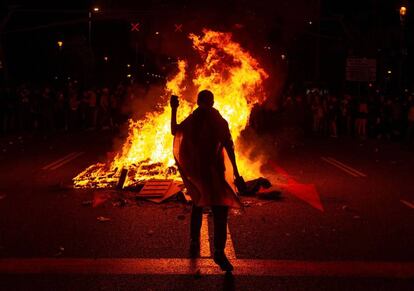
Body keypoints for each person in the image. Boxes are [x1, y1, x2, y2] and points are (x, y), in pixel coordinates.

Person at [170, 90, 243, 272]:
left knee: (198, 203)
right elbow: (229, 147)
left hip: (198, 170)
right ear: (212, 101)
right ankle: (218, 251)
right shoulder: (219, 120)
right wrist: (237, 174)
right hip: (215, 170)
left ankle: (194, 241)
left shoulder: (192, 120)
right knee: (220, 209)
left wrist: (173, 109)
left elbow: (174, 131)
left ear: (198, 101)